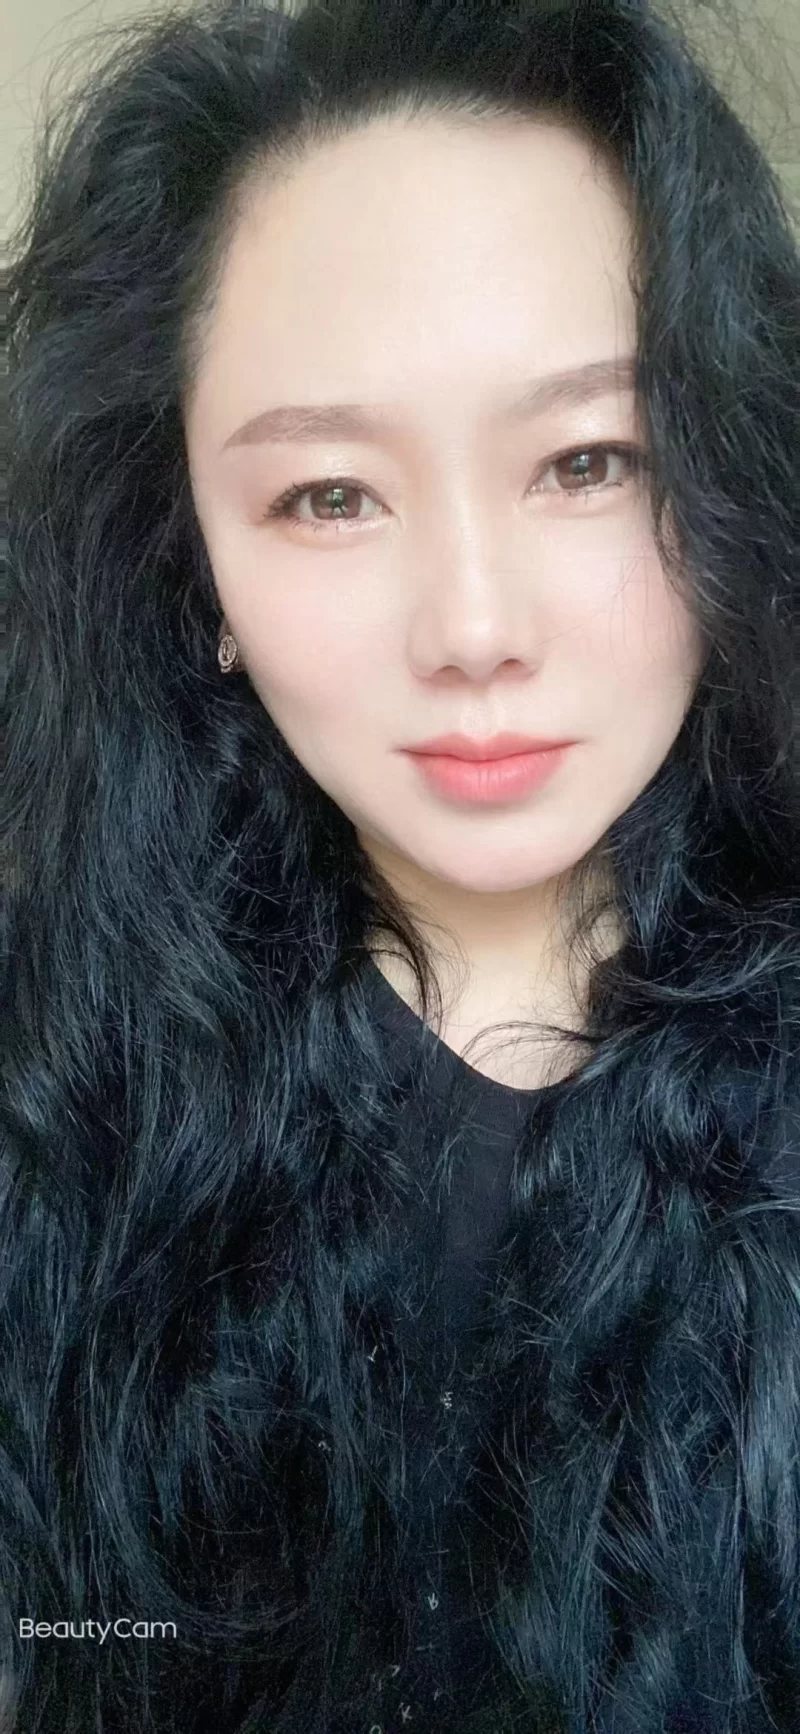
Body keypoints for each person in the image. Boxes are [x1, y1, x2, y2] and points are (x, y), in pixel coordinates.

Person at [4, 0, 799, 1729]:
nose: (475, 626)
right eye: (330, 496)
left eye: (589, 461)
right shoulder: (61, 1096)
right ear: (191, 557)